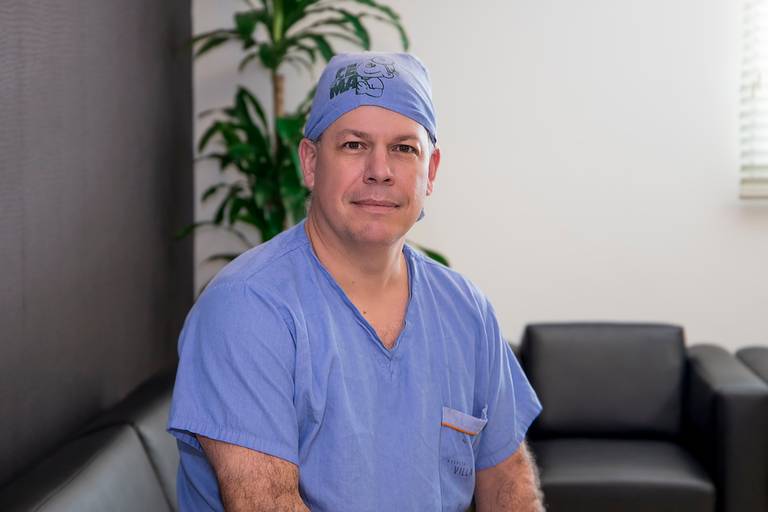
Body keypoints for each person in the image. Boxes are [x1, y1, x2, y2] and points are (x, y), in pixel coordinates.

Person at [168, 52, 544, 512]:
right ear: (310, 162)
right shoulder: (247, 308)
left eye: (404, 148)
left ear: (431, 172)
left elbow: (509, 488)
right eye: (354, 145)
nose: (380, 170)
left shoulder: (467, 310)